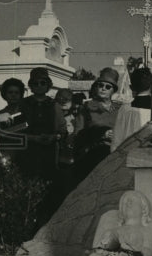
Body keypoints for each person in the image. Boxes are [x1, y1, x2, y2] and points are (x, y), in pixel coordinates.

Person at [18, 68, 67, 224]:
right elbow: (16, 130)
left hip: (48, 153)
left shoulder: (55, 106)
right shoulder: (23, 104)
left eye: (43, 83)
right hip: (28, 153)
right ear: (31, 86)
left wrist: (53, 137)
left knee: (48, 190)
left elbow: (63, 131)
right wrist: (33, 138)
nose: (39, 86)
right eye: (36, 83)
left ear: (48, 85)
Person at [73, 68, 123, 185]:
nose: (103, 89)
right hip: (92, 158)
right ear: (96, 87)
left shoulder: (120, 110)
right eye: (100, 85)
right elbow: (77, 135)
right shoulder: (86, 108)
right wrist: (101, 134)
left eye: (108, 87)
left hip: (114, 158)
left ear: (113, 90)